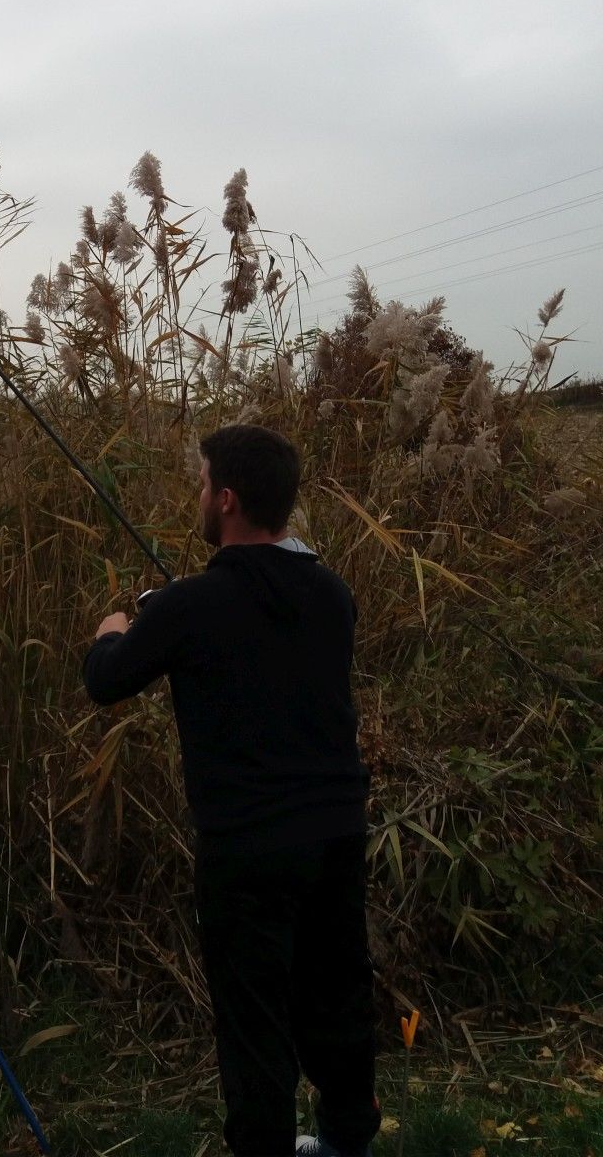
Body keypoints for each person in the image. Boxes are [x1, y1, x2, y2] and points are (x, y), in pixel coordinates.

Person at [82, 424, 380, 1157]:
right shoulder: (332, 595)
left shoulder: (190, 607)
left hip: (249, 849)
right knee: (336, 995)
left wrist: (114, 628)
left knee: (253, 1022)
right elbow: (259, 621)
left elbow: (107, 680)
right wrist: (177, 607)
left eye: (201, 483)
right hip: (337, 833)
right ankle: (347, 1141)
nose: (197, 496)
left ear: (226, 499)